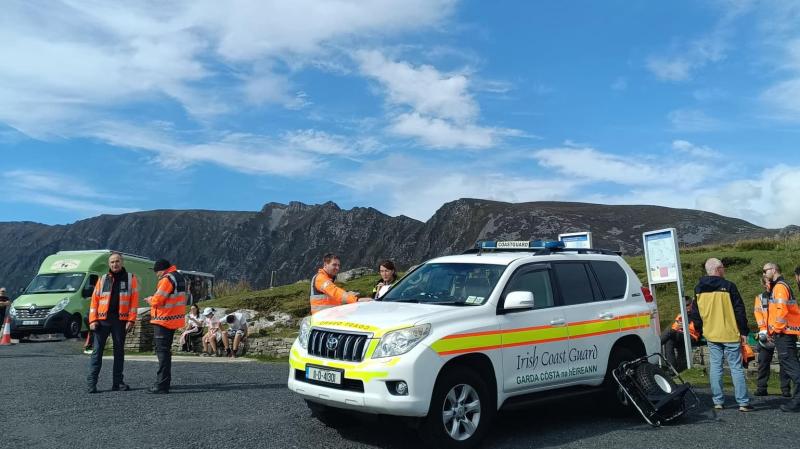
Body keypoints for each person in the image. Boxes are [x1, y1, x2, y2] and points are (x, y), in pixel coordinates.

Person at [689, 258, 753, 412]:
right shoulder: (729, 286)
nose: (724, 270)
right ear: (718, 269)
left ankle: (718, 401)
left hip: (711, 334)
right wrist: (744, 331)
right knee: (736, 368)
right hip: (730, 334)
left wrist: (698, 329)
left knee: (715, 367)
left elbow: (695, 314)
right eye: (723, 268)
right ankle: (743, 402)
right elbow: (739, 310)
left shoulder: (698, 289)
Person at [86, 252, 139, 393]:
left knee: (119, 353)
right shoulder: (103, 279)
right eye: (112, 262)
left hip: (120, 321)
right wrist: (92, 320)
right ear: (109, 264)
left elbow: (134, 301)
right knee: (97, 353)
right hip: (102, 321)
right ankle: (92, 384)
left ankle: (118, 383)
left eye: (117, 261)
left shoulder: (130, 278)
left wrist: (131, 319)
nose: (115, 264)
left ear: (122, 263)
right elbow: (94, 301)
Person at [760, 263, 800, 412]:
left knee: (792, 368)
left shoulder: (780, 287)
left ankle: (797, 401)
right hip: (785, 333)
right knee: (792, 365)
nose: (764, 273)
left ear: (774, 270)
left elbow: (781, 312)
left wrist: (775, 330)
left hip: (784, 334)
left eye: (765, 270)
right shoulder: (777, 287)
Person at [145, 259, 187, 394]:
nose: (156, 275)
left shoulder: (167, 279)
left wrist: (150, 299)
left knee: (162, 352)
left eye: (156, 272)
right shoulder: (179, 277)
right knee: (166, 352)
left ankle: (162, 384)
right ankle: (165, 381)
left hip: (163, 320)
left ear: (161, 270)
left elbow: (158, 300)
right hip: (173, 319)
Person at [754, 272, 793, 397]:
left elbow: (785, 312)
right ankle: (761, 387)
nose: (768, 283)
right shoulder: (760, 298)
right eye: (766, 281)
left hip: (781, 332)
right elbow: (759, 315)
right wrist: (763, 330)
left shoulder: (780, 293)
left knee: (784, 361)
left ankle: (785, 389)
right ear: (764, 284)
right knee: (763, 361)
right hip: (767, 334)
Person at [660, 296, 699, 371]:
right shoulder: (681, 314)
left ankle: (657, 344)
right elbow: (675, 326)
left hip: (692, 336)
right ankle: (672, 370)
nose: (686, 307)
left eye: (687, 305)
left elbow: (698, 327)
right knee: (669, 341)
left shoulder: (696, 314)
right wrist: (677, 327)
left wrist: (684, 326)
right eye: (684, 306)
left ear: (692, 304)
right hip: (680, 335)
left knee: (671, 332)